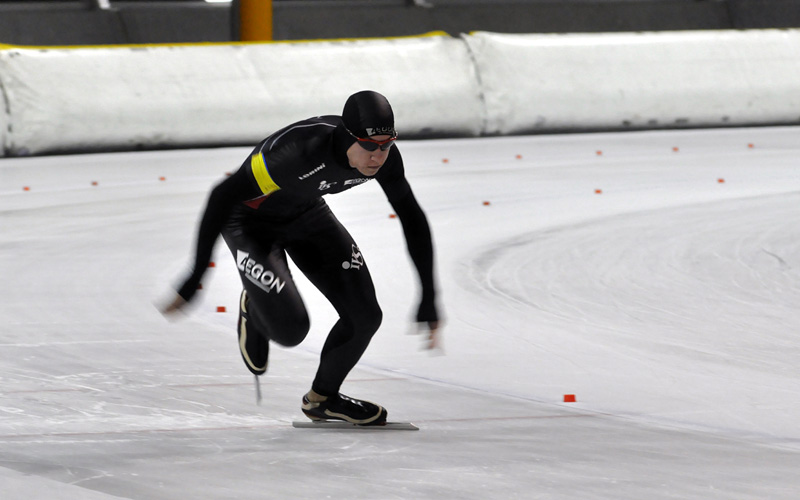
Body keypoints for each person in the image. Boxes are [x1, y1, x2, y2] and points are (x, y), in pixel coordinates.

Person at [162, 90, 441, 426]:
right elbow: (223, 196)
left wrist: (429, 293)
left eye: (386, 145)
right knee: (292, 330)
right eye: (369, 146)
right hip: (250, 221)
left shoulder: (384, 158)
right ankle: (256, 304)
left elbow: (412, 217)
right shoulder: (299, 153)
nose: (378, 156)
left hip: (307, 212)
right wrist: (196, 278)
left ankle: (323, 400)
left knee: (365, 316)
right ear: (346, 137)